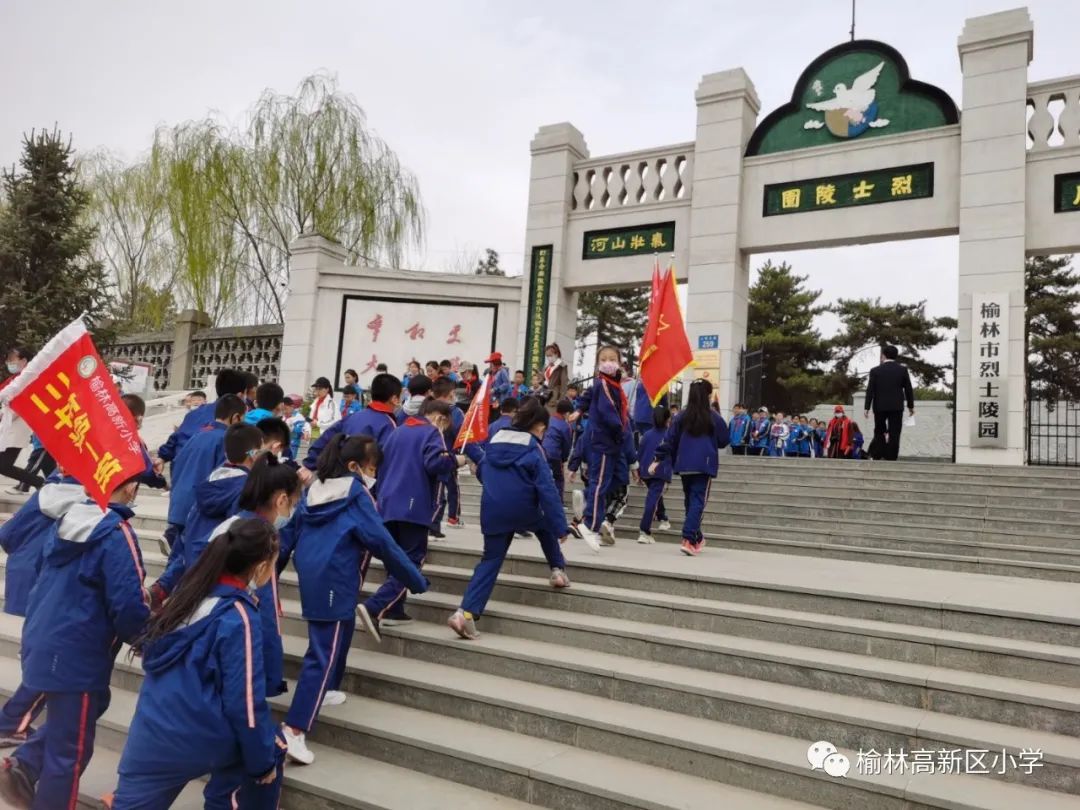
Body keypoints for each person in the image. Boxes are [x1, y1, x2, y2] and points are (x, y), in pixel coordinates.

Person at [110, 519, 286, 810]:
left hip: (149, 735)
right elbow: (244, 704)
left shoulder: (186, 598)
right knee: (267, 747)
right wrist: (262, 763)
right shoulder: (238, 615)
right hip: (198, 737)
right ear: (259, 567)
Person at [0, 474, 149, 809]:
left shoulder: (65, 522)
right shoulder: (116, 533)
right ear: (129, 487)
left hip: (45, 640)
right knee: (70, 752)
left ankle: (22, 764)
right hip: (77, 655)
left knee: (94, 707)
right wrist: (149, 641)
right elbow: (128, 606)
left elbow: (41, 574)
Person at [281, 436, 427, 764]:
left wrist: (268, 577)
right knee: (322, 653)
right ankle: (294, 730)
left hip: (315, 573)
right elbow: (382, 541)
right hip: (335, 577)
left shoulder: (315, 489)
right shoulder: (356, 494)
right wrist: (414, 580)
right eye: (372, 468)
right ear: (354, 466)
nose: (374, 475)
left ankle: (329, 689)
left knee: (340, 629)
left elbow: (288, 535)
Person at [448, 398, 570, 640]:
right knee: (545, 527)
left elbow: (483, 469)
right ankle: (557, 570)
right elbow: (547, 490)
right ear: (539, 427)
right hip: (524, 508)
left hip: (492, 509)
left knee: (490, 560)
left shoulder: (494, 441)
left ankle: (465, 613)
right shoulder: (534, 449)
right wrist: (561, 527)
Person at [360, 399, 464, 632]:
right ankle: (375, 606)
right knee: (412, 562)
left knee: (396, 559)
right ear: (440, 418)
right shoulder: (431, 433)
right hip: (413, 504)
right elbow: (434, 462)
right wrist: (456, 460)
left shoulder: (397, 432)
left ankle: (394, 608)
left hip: (387, 504)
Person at [0, 472, 84, 748]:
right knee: (44, 655)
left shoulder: (43, 495)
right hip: (52, 582)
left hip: (23, 571)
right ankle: (11, 722)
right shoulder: (89, 508)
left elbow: (7, 534)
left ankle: (15, 718)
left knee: (34, 644)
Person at [150, 422, 267, 604]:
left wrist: (164, 584)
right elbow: (240, 542)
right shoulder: (246, 491)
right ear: (253, 455)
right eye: (261, 451)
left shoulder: (210, 482)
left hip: (193, 575)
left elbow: (186, 538)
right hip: (220, 586)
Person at [163, 394, 247, 571]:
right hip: (197, 509)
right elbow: (221, 479)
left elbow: (176, 463)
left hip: (179, 504)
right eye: (243, 418)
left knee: (177, 561)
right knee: (191, 565)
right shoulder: (225, 440)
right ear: (236, 417)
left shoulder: (198, 434)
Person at [649, 378, 730, 556]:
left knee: (690, 501)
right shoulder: (713, 416)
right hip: (704, 465)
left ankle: (697, 537)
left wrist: (657, 458)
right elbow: (724, 440)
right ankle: (688, 539)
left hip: (684, 464)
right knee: (697, 502)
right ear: (708, 395)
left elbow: (669, 439)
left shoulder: (681, 416)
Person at [572, 345, 629, 550]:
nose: (608, 362)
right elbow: (609, 413)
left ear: (619, 361)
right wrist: (621, 431)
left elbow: (587, 396)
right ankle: (589, 524)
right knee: (599, 484)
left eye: (612, 358)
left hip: (607, 442)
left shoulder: (609, 383)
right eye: (604, 359)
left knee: (603, 485)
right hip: (606, 441)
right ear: (598, 363)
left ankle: (587, 509)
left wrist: (578, 409)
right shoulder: (605, 383)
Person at [303, 373, 402, 473]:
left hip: (337, 477)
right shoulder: (388, 425)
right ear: (394, 399)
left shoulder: (352, 417)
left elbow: (325, 439)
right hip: (362, 481)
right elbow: (386, 464)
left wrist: (308, 465)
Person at [157, 368, 247, 469]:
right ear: (240, 395)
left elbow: (177, 438)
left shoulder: (195, 413)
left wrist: (162, 458)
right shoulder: (233, 420)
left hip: (180, 472)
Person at [0, 346, 42, 492]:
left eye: (12, 360)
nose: (9, 363)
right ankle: (40, 483)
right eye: (8, 360)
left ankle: (40, 483)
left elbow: (24, 403)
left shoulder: (29, 379)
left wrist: (5, 417)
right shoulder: (15, 379)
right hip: (9, 424)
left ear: (24, 360)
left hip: (16, 426)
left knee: (3, 465)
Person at [864, 344, 915, 461]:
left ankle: (878, 454)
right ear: (896, 356)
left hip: (879, 406)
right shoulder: (902, 370)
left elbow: (870, 390)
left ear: (883, 355)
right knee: (895, 432)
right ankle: (891, 457)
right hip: (896, 406)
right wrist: (910, 406)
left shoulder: (875, 371)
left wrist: (866, 407)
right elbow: (908, 389)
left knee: (879, 430)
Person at [430, 378, 465, 535]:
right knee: (442, 494)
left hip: (426, 456)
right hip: (447, 457)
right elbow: (462, 435)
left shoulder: (426, 409)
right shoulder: (455, 413)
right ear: (451, 394)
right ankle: (435, 525)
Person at [637, 405, 672, 544]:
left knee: (656, 495)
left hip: (646, 470)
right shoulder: (669, 435)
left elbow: (640, 453)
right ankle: (644, 530)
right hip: (660, 471)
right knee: (652, 500)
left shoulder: (647, 434)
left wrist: (638, 472)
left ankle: (663, 518)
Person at [120, 394, 169, 491]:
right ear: (139, 418)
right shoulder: (131, 440)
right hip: (116, 496)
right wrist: (164, 484)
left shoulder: (102, 432)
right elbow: (146, 472)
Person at [541, 398, 574, 497]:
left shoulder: (548, 420)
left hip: (542, 452)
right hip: (555, 455)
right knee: (558, 479)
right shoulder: (566, 426)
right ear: (567, 413)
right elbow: (567, 445)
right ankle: (558, 501)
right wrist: (564, 459)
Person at [542, 343, 569, 411]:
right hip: (545, 395)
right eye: (547, 356)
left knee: (551, 417)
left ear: (556, 354)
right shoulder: (547, 366)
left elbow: (564, 384)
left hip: (554, 397)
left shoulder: (562, 366)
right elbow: (545, 380)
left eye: (550, 355)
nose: (549, 357)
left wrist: (560, 400)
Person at [283, 394, 311, 460]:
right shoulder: (283, 416)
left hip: (293, 445)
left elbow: (300, 430)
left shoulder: (298, 417)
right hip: (282, 444)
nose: (284, 411)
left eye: (285, 409)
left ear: (292, 406)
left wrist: (291, 428)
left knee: (289, 462)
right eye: (283, 409)